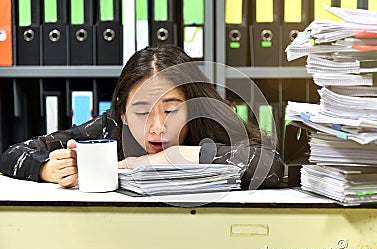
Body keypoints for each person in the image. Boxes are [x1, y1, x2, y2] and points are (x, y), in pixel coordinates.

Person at [0, 45, 284, 190]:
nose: (157, 127)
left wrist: (171, 157)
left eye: (171, 110)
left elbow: (270, 166)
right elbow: (13, 154)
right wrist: (47, 169)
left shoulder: (208, 124)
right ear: (123, 112)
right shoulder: (109, 127)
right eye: (141, 111)